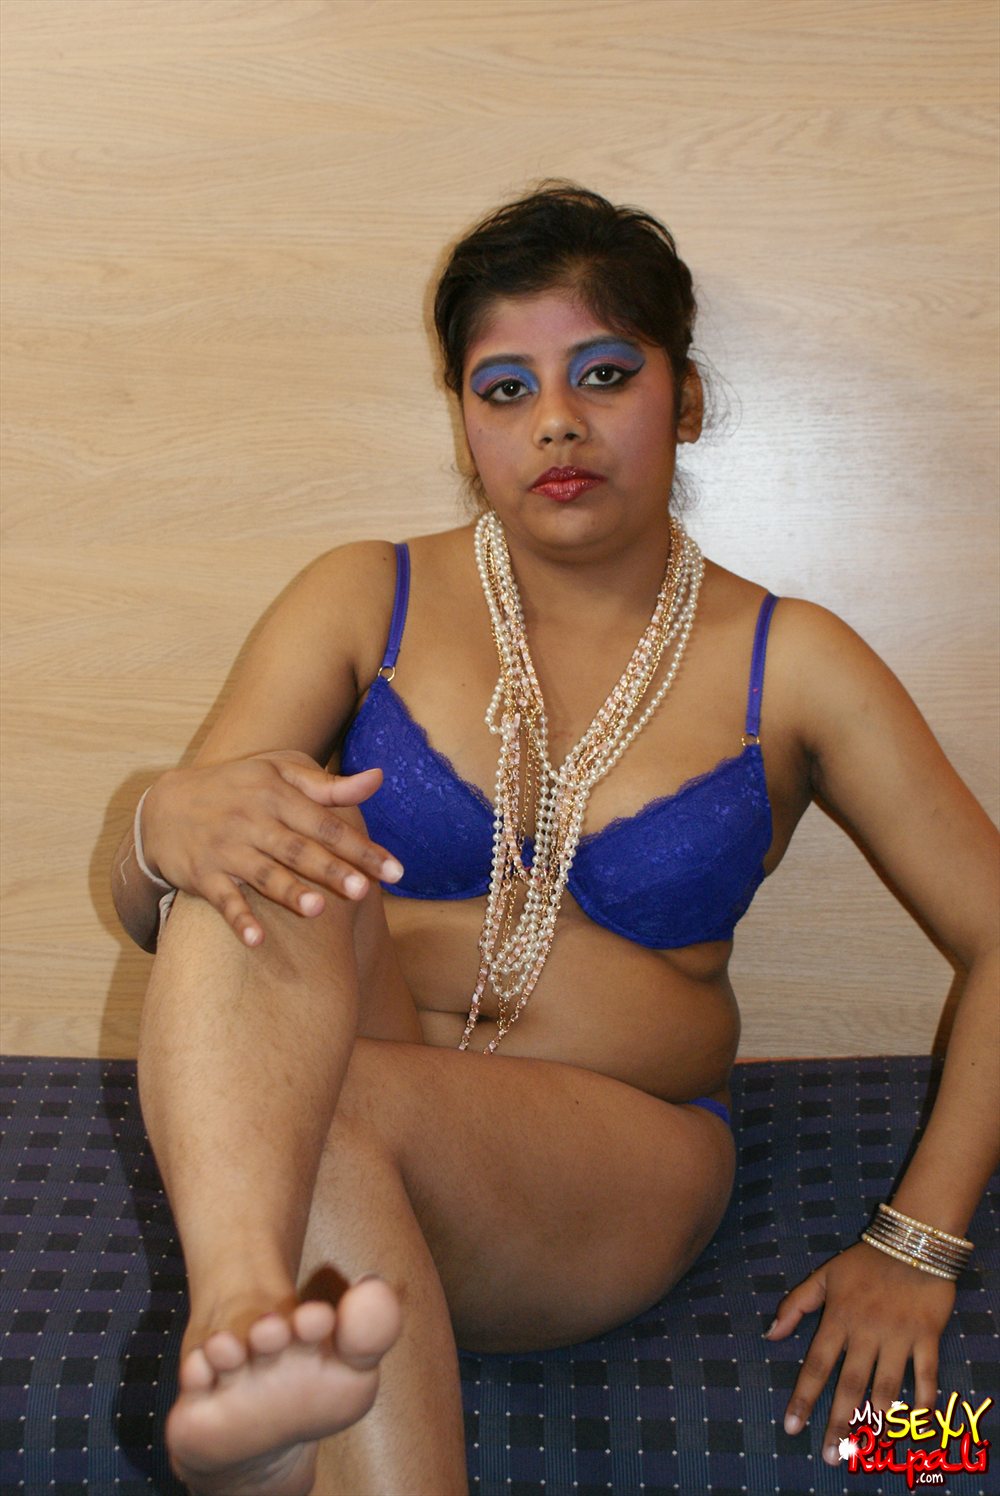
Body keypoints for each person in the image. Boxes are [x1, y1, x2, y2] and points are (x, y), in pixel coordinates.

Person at [111, 183, 998, 1496]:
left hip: (611, 1164)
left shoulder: (796, 660)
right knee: (261, 837)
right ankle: (247, 1314)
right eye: (505, 388)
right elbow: (168, 914)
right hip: (356, 1069)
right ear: (464, 422)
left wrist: (917, 1245)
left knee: (322, 1120)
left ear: (686, 400)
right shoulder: (361, 594)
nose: (557, 422)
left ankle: (260, 1366)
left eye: (605, 373)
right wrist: (160, 825)